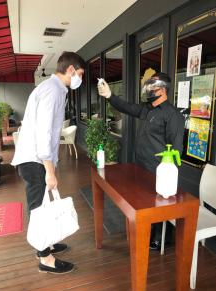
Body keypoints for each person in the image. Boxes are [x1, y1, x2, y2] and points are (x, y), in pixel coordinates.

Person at [12, 51, 86, 273]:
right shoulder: (53, 91)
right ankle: (45, 258)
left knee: (43, 203)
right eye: (80, 74)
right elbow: (45, 133)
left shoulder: (53, 89)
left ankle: (47, 243)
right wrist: (49, 170)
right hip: (34, 159)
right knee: (38, 208)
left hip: (35, 158)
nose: (80, 79)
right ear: (71, 70)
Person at [98, 72, 185, 250]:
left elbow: (176, 148)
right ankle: (150, 231)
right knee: (147, 203)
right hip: (141, 166)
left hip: (159, 168)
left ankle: (163, 238)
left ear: (163, 90)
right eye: (149, 86)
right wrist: (110, 96)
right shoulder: (148, 109)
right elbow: (128, 107)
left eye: (153, 87)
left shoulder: (172, 115)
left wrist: (168, 173)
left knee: (161, 203)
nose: (150, 90)